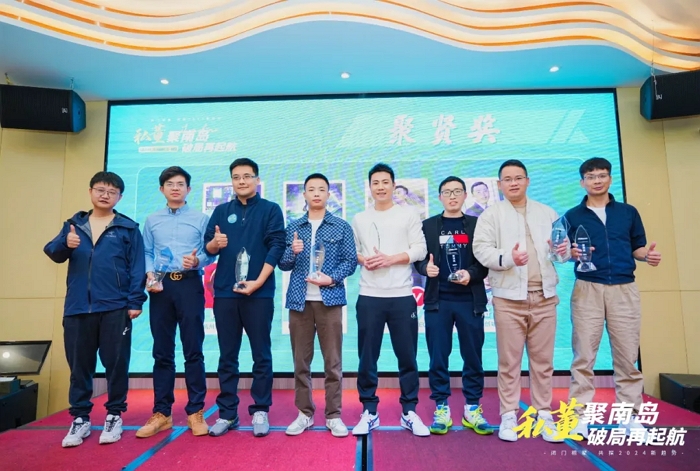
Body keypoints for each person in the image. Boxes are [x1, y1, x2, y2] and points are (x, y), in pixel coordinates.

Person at [44, 171, 146, 448]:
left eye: (112, 192)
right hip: (78, 308)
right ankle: (80, 419)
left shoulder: (127, 228)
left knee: (116, 364)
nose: (105, 195)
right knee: (80, 367)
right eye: (100, 189)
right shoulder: (73, 225)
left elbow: (137, 267)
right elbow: (52, 252)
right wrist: (65, 243)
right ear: (90, 192)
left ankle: (114, 415)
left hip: (115, 308)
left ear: (119, 197)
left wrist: (135, 301)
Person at [564, 157, 661, 439]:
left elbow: (637, 247)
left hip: (623, 288)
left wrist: (647, 256)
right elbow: (563, 251)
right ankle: (579, 417)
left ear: (610, 178)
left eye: (602, 175)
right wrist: (570, 253)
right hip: (587, 288)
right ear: (582, 182)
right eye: (591, 176)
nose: (597, 180)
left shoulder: (628, 212)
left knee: (627, 357)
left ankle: (628, 418)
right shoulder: (572, 215)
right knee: (583, 356)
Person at [472, 160, 569, 443]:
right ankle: (509, 415)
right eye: (507, 179)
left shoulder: (547, 212)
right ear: (499, 185)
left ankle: (544, 413)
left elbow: (561, 254)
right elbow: (481, 250)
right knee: (509, 362)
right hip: (508, 299)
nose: (513, 183)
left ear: (527, 181)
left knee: (543, 362)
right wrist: (508, 258)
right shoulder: (491, 215)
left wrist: (563, 251)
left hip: (544, 297)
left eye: (518, 178)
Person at [204, 158, 285, 438]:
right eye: (236, 177)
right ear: (231, 181)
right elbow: (208, 248)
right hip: (226, 293)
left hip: (259, 293)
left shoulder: (271, 210)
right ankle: (227, 413)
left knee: (261, 354)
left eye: (247, 176)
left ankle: (260, 409)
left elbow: (277, 246)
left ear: (257, 180)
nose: (241, 181)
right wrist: (214, 244)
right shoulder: (221, 211)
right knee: (227, 356)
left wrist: (258, 282)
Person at [351, 163, 430, 437]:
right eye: (376, 182)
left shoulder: (408, 214)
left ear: (394, 185)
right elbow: (355, 252)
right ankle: (369, 411)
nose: (381, 187)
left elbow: (420, 249)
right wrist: (366, 260)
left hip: (402, 296)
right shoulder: (360, 218)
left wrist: (391, 259)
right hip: (369, 296)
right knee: (367, 357)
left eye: (385, 182)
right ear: (369, 187)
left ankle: (409, 411)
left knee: (407, 357)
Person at [136, 167, 212, 439]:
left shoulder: (201, 219)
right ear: (162, 189)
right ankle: (162, 413)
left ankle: (195, 411)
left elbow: (210, 252)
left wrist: (199, 260)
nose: (176, 188)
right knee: (162, 351)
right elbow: (146, 251)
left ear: (189, 189)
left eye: (181, 184)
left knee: (194, 350)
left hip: (189, 284)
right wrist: (150, 274)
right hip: (160, 287)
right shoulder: (152, 220)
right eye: (170, 184)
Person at [279, 173, 357, 438]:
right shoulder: (293, 227)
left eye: (321, 189)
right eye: (311, 189)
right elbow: (283, 264)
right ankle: (305, 413)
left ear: (328, 194)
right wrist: (292, 251)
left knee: (332, 362)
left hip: (329, 299)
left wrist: (331, 278)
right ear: (304, 194)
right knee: (301, 362)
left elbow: (350, 261)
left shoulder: (341, 226)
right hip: (299, 301)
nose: (316, 193)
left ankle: (334, 415)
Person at [414, 176, 492, 435]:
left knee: (473, 357)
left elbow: (485, 261)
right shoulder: (428, 226)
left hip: (470, 300)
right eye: (447, 192)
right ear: (440, 197)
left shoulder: (477, 225)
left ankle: (472, 408)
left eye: (457, 191)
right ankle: (441, 407)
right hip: (438, 301)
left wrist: (471, 273)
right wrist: (425, 268)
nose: (452, 196)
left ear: (465, 195)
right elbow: (418, 259)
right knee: (438, 356)